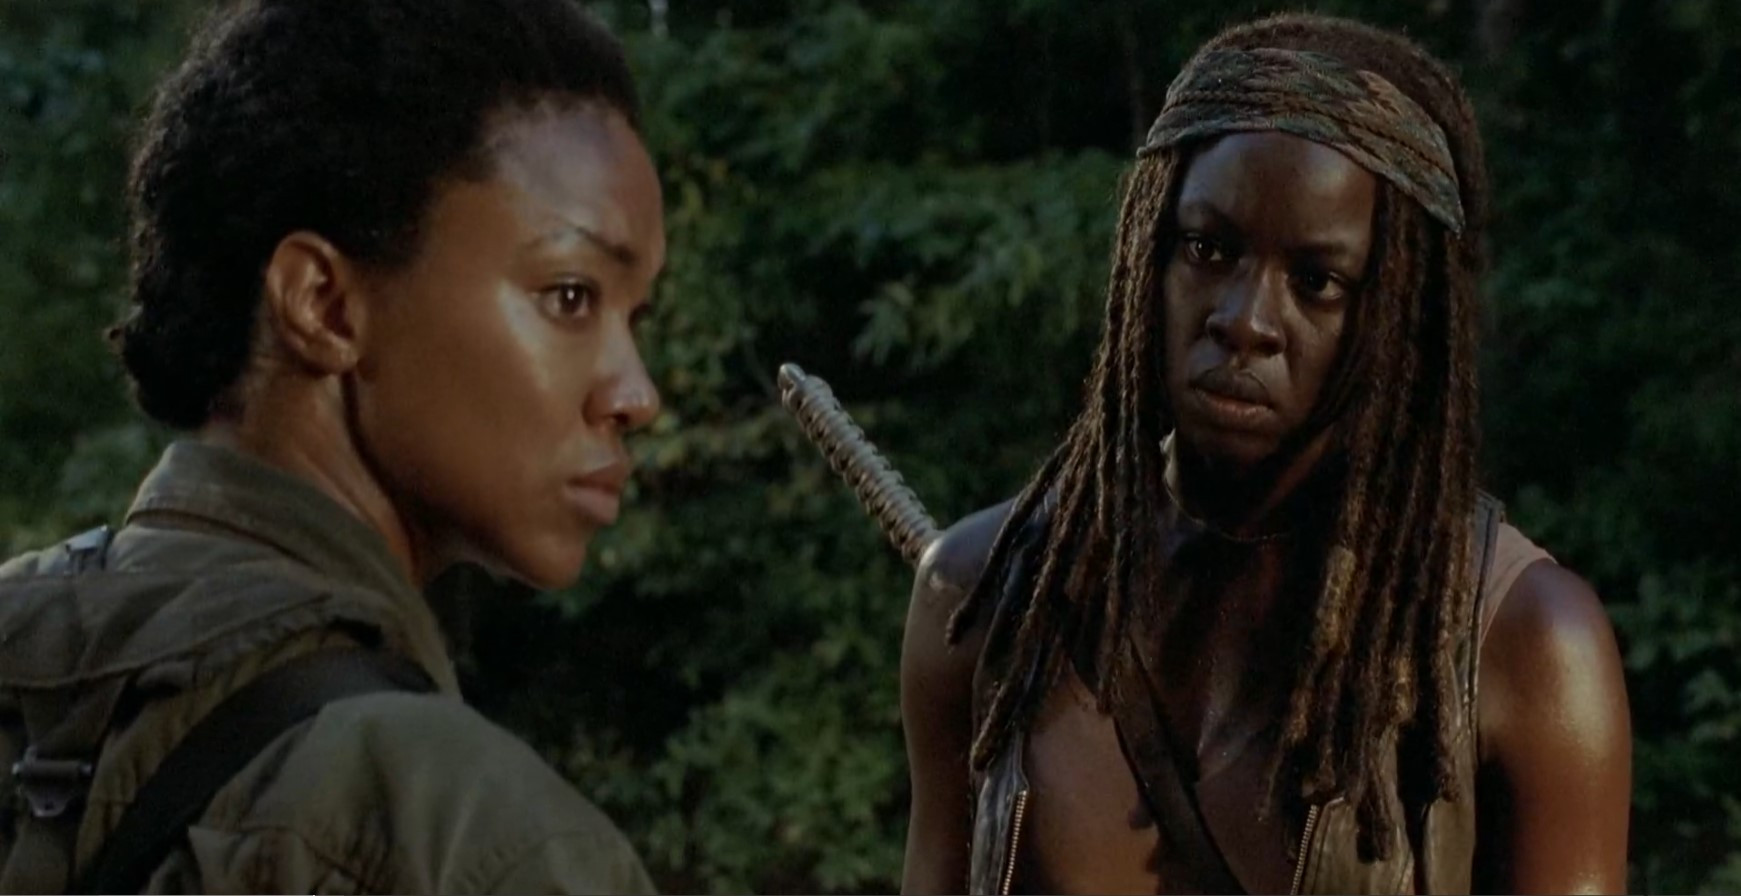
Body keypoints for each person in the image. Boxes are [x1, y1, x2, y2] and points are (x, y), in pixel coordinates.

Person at [900, 13, 1631, 895]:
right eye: (1207, 250)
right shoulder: (980, 599)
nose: (1245, 320)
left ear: (1397, 316)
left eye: (1317, 282)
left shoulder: (1527, 644)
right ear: (1146, 256)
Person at [0, 0, 664, 891]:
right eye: (571, 296)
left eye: (634, 318)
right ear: (324, 305)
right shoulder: (476, 841)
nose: (636, 395)